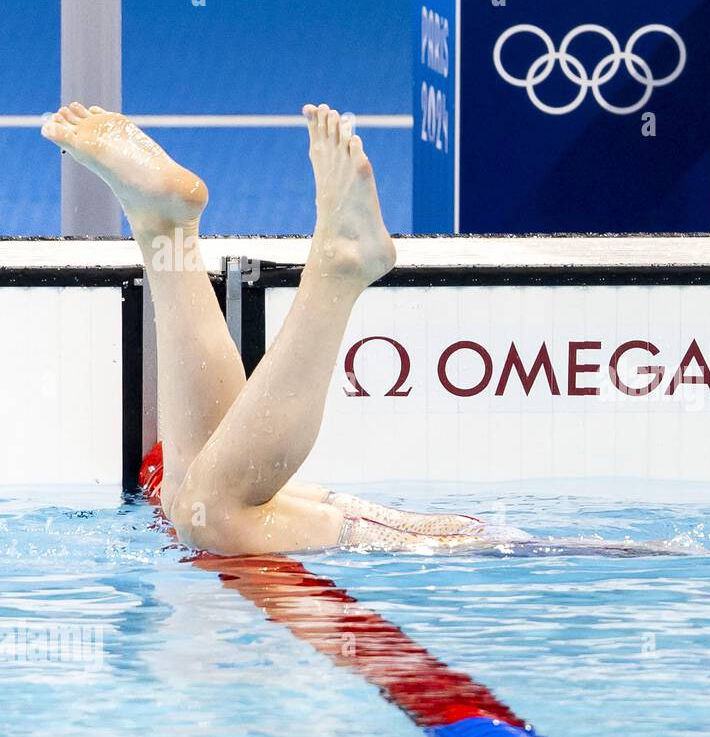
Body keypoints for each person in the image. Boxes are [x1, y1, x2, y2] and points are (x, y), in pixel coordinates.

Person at [43, 100, 531, 555]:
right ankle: (183, 237)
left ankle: (175, 236)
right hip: (489, 545)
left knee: (202, 503)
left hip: (494, 547)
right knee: (202, 503)